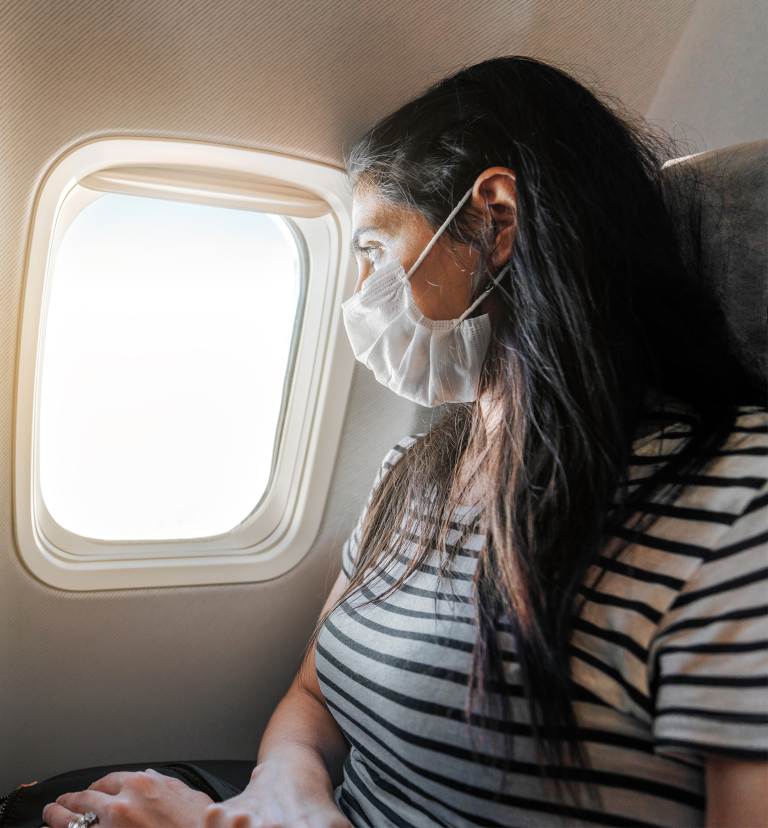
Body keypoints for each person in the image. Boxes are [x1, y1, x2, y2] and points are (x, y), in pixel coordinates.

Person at [39, 56, 768, 828]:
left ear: (495, 220)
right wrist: (280, 797)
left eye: (375, 252)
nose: (360, 298)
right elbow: (312, 696)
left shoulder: (739, 500)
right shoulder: (415, 476)